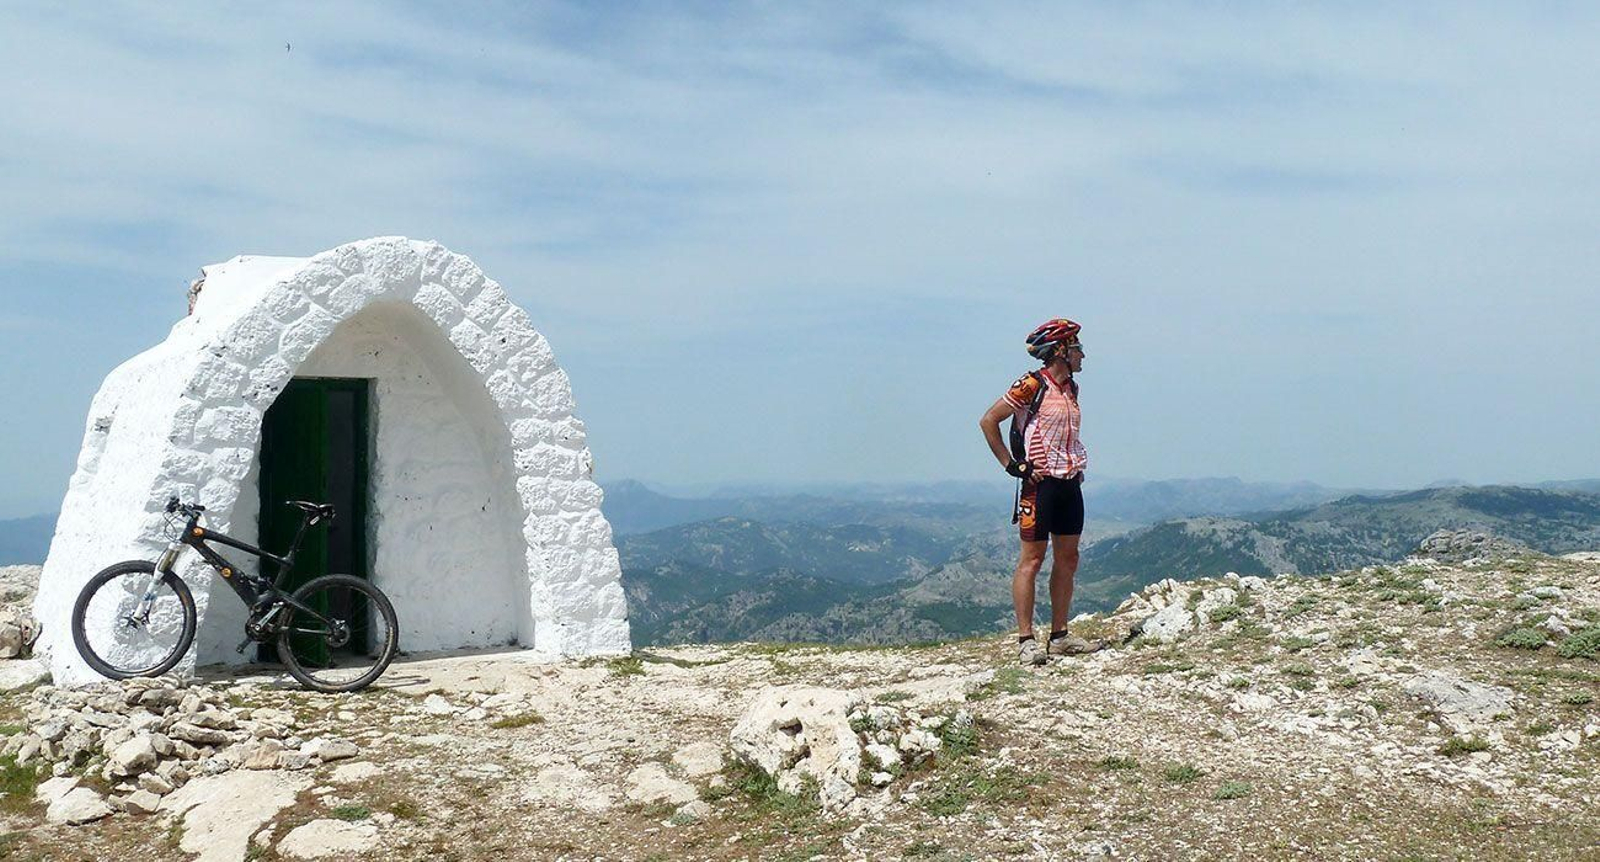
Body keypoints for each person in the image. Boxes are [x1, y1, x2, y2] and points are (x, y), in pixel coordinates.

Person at [978, 318, 1104, 666]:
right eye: (1077, 348)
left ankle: (1060, 636)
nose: (1083, 356)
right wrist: (1011, 465)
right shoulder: (1032, 385)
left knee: (1069, 559)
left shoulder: (1071, 389)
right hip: (1040, 484)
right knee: (1032, 561)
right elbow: (989, 420)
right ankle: (1026, 640)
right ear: (1061, 351)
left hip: (1069, 483)